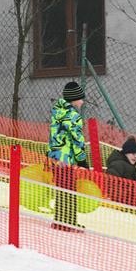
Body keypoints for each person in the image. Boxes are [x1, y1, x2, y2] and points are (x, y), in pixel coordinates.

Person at [47, 81, 87, 232]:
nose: (82, 101)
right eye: (81, 98)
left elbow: (53, 135)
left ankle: (60, 221)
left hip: (55, 158)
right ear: (74, 99)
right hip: (67, 159)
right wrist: (82, 159)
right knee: (70, 190)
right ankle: (69, 223)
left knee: (61, 189)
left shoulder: (57, 112)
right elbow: (77, 140)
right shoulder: (73, 116)